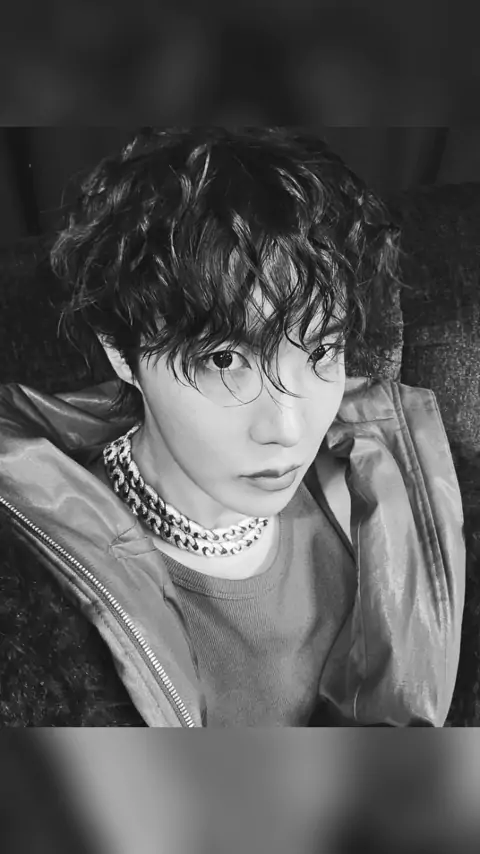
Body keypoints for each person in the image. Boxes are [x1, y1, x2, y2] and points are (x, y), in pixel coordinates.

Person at [0, 127, 465, 726]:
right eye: (224, 361)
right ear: (121, 354)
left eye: (322, 351)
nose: (288, 428)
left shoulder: (395, 490)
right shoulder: (36, 603)